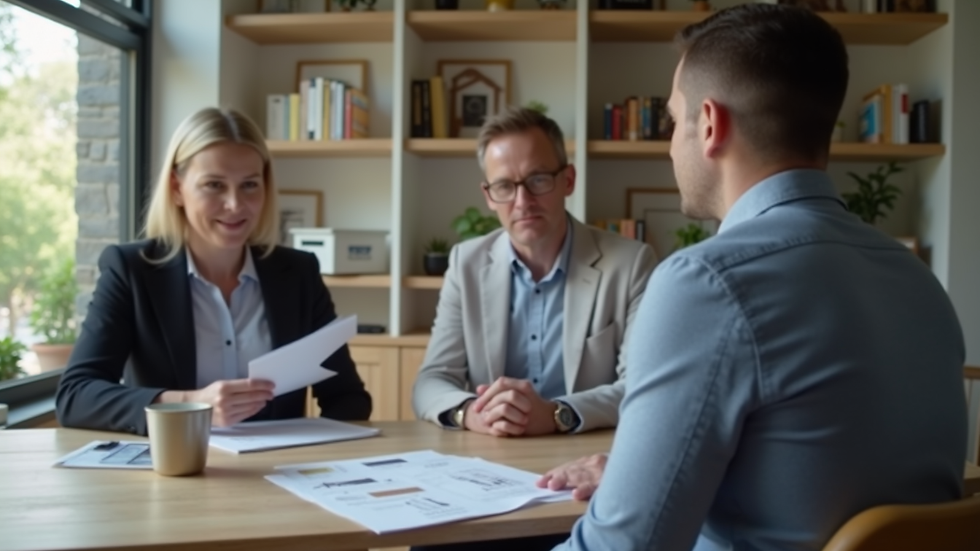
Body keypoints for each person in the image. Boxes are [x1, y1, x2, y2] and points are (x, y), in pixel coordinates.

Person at [538, 4, 966, 551]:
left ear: (711, 125)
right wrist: (639, 473)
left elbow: (624, 547)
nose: (670, 143)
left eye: (675, 120)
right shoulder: (918, 280)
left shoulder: (706, 283)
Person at [410, 108, 655, 550]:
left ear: (568, 180)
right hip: (486, 476)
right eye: (505, 186)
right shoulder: (466, 262)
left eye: (538, 179)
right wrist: (471, 413)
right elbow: (432, 380)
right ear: (488, 194)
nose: (522, 202)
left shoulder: (630, 263)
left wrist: (557, 413)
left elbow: (638, 388)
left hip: (581, 478)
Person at [56, 107, 371, 435]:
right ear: (177, 189)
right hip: (174, 469)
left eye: (249, 184)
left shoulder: (298, 273)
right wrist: (190, 405)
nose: (235, 204)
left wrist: (319, 458)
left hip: (279, 473)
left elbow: (348, 398)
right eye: (214, 185)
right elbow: (76, 396)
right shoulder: (131, 271)